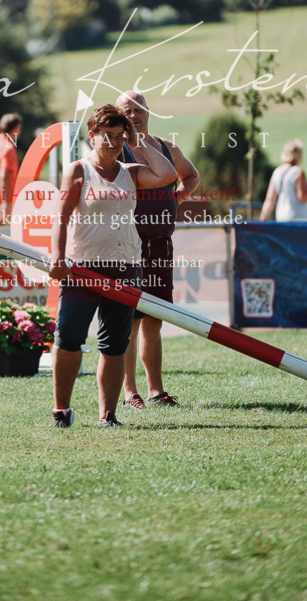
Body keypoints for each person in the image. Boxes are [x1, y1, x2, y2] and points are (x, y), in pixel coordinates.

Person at [49, 103, 180, 429]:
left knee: (114, 345)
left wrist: (139, 141)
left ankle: (107, 415)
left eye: (119, 136)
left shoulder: (130, 172)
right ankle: (61, 410)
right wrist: (58, 258)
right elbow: (61, 218)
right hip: (83, 269)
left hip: (125, 268)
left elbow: (168, 175)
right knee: (69, 338)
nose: (113, 142)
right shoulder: (78, 170)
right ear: (92, 135)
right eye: (106, 135)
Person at [116, 90, 200, 411]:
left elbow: (191, 176)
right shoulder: (115, 149)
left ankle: (156, 391)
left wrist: (176, 198)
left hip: (161, 244)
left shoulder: (166, 147)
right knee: (129, 320)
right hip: (129, 246)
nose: (134, 115)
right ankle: (130, 393)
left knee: (155, 319)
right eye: (127, 111)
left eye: (138, 109)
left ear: (149, 112)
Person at [259, 139, 307, 221]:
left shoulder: (277, 172)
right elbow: (303, 197)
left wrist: (262, 218)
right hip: (299, 218)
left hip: (281, 217)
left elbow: (270, 199)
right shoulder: (297, 172)